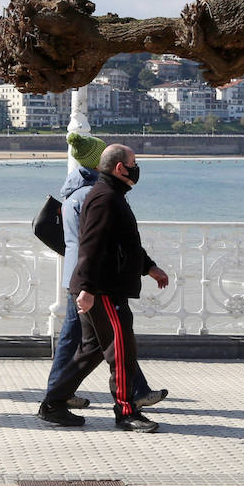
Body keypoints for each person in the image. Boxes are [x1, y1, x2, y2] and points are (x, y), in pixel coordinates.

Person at [37, 143, 169, 432]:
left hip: (101, 286)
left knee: (93, 349)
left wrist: (149, 267)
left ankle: (53, 404)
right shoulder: (104, 197)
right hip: (102, 289)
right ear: (120, 168)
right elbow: (91, 245)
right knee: (120, 348)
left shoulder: (111, 194)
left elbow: (124, 242)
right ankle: (126, 411)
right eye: (133, 163)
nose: (137, 169)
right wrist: (87, 288)